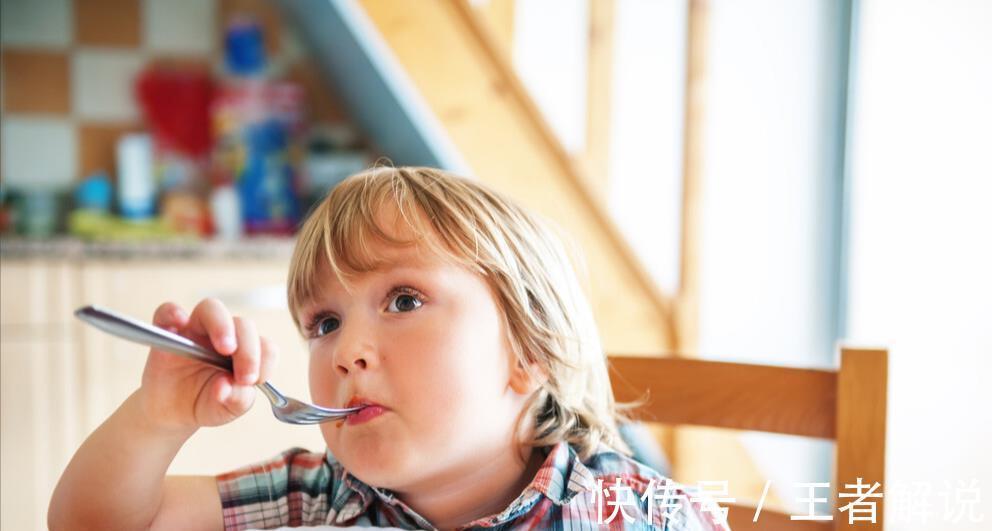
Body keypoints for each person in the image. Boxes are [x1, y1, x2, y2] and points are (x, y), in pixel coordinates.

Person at [49, 167, 730, 530]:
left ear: (529, 350)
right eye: (324, 323)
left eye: (404, 300)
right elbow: (94, 523)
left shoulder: (634, 517)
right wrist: (159, 416)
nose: (347, 350)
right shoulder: (321, 491)